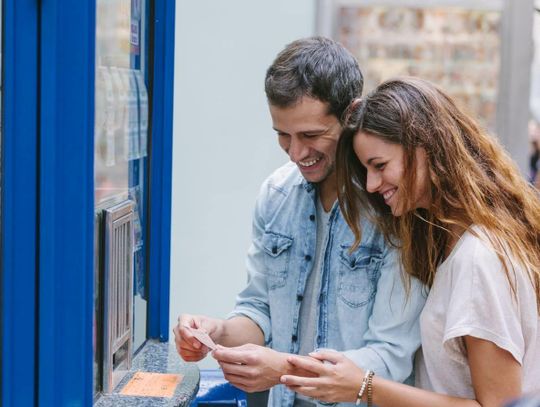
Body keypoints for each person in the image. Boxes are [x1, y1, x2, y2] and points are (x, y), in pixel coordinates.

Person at [173, 38, 426, 407]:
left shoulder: (394, 207)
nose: (296, 153)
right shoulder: (276, 196)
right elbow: (260, 310)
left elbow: (389, 358)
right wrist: (219, 331)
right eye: (283, 135)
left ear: (351, 114)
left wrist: (283, 370)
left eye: (311, 135)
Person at [280, 77, 540, 407]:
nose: (372, 184)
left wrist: (364, 385)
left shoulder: (478, 259)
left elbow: (499, 405)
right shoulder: (451, 240)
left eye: (380, 166)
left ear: (427, 149)